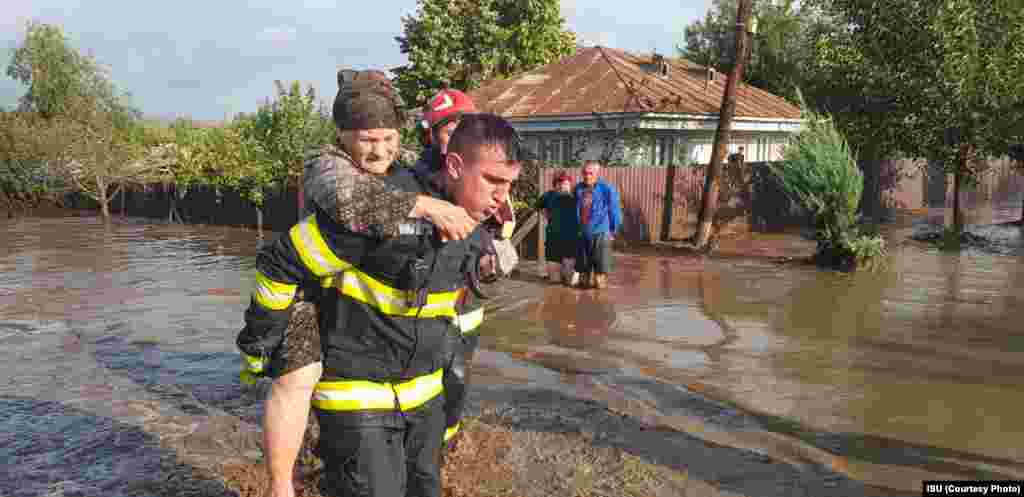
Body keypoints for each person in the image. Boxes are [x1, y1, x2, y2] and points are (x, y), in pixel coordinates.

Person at [238, 113, 523, 497]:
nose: (502, 197)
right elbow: (281, 262)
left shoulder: (478, 220)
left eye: (509, 184)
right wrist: (260, 345)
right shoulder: (382, 211)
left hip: (424, 398)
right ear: (455, 166)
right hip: (357, 396)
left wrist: (487, 267)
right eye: (493, 181)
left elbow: (456, 308)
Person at [574, 161, 622, 289]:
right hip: (583, 234)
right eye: (585, 173)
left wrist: (613, 231)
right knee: (583, 275)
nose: (587, 176)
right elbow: (575, 210)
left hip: (600, 233)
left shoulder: (607, 189)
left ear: (597, 173)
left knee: (599, 276)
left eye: (591, 173)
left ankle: (600, 298)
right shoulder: (578, 188)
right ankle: (583, 299)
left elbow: (615, 211)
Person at [535, 172, 580, 286]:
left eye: (565, 183)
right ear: (554, 185)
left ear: (569, 184)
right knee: (554, 281)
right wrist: (547, 215)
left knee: (570, 281)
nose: (562, 186)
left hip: (571, 239)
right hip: (553, 238)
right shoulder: (548, 195)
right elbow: (538, 206)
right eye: (559, 183)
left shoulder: (576, 196)